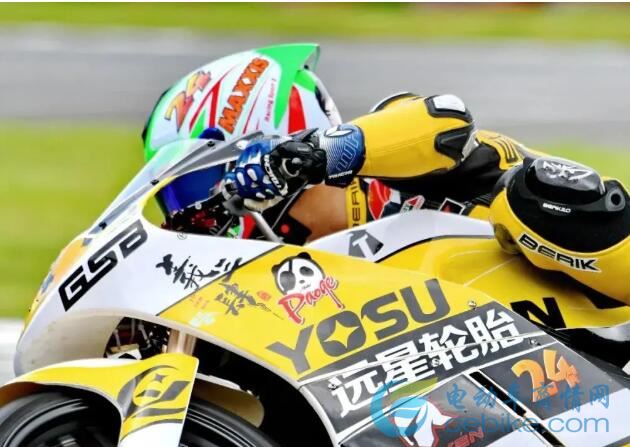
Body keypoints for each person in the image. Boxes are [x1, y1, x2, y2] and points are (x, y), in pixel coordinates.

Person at [142, 45, 630, 305]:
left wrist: (311, 153)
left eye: (208, 186)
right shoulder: (295, 280)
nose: (214, 210)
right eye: (179, 197)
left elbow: (445, 116)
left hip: (598, 312)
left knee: (538, 192)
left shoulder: (396, 146)